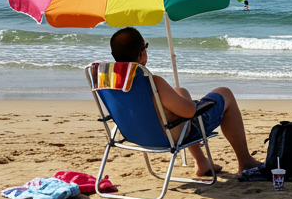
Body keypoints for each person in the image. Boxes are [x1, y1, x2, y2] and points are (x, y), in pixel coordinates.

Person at [109, 27, 260, 177]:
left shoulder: (112, 85)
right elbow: (190, 112)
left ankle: (201, 162)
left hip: (139, 135)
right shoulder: (153, 83)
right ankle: (245, 161)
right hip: (169, 135)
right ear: (142, 54)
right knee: (225, 93)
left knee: (181, 91)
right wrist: (189, 104)